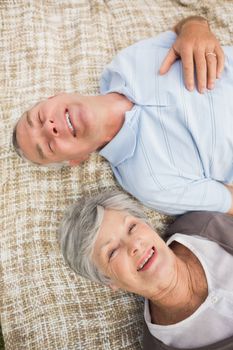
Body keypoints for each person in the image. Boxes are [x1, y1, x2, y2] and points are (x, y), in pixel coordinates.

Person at [13, 16, 233, 216]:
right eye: (49, 146)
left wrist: (196, 27)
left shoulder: (124, 62)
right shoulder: (149, 183)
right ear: (76, 159)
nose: (50, 129)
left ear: (56, 96)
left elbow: (183, 28)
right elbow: (228, 201)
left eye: (41, 117)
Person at [58, 190, 233, 350]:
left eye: (131, 227)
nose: (134, 245)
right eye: (112, 252)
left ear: (148, 225)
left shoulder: (202, 224)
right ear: (108, 280)